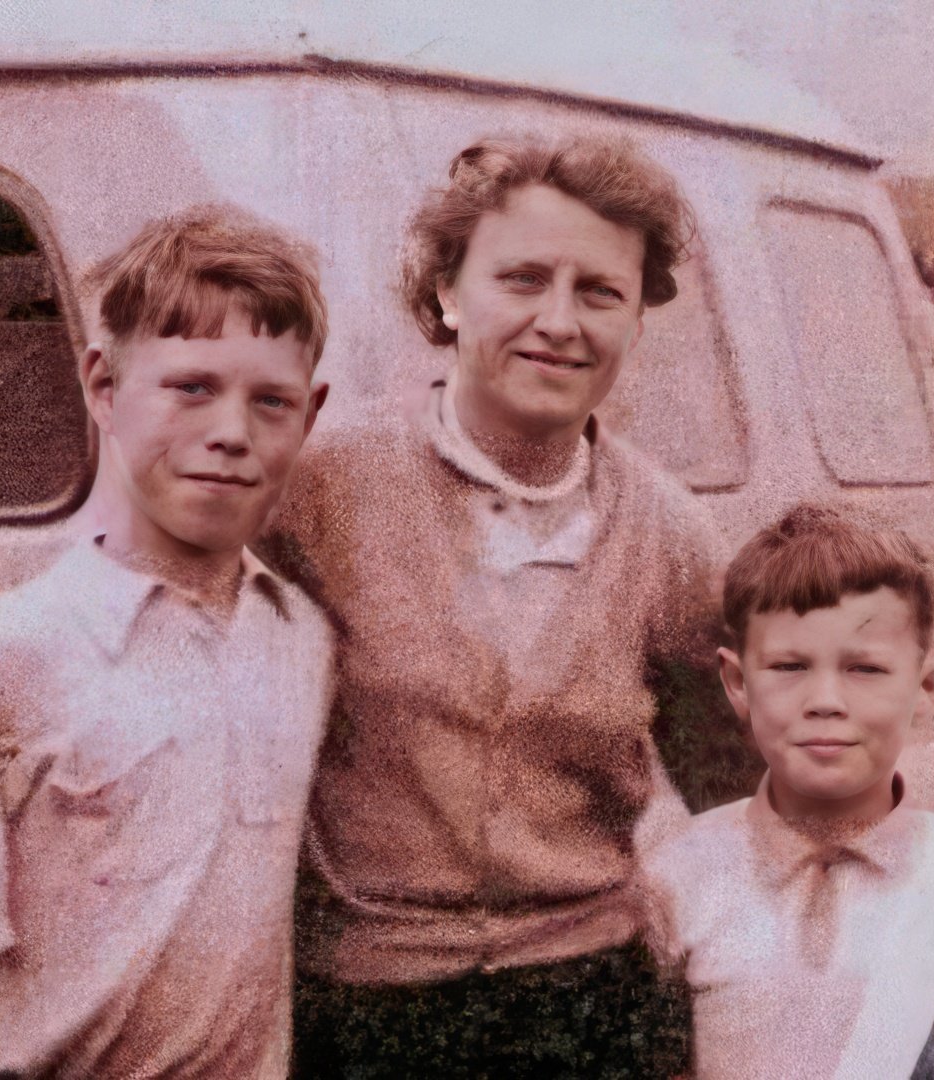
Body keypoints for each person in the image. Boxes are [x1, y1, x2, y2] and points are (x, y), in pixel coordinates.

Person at [266, 134, 760, 1076]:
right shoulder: (323, 495)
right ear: (447, 293)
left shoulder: (670, 534)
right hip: (365, 1013)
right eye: (523, 279)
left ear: (636, 320)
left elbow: (738, 794)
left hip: (590, 1008)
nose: (560, 321)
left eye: (600, 292)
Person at [0, 207, 333, 1077]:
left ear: (309, 415)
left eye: (269, 400)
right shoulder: (4, 650)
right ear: (102, 386)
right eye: (191, 387)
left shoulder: (302, 638)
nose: (232, 431)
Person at [644, 504, 934, 1080]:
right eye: (789, 666)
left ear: (926, 687)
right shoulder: (676, 877)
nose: (825, 700)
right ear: (737, 684)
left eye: (865, 669)